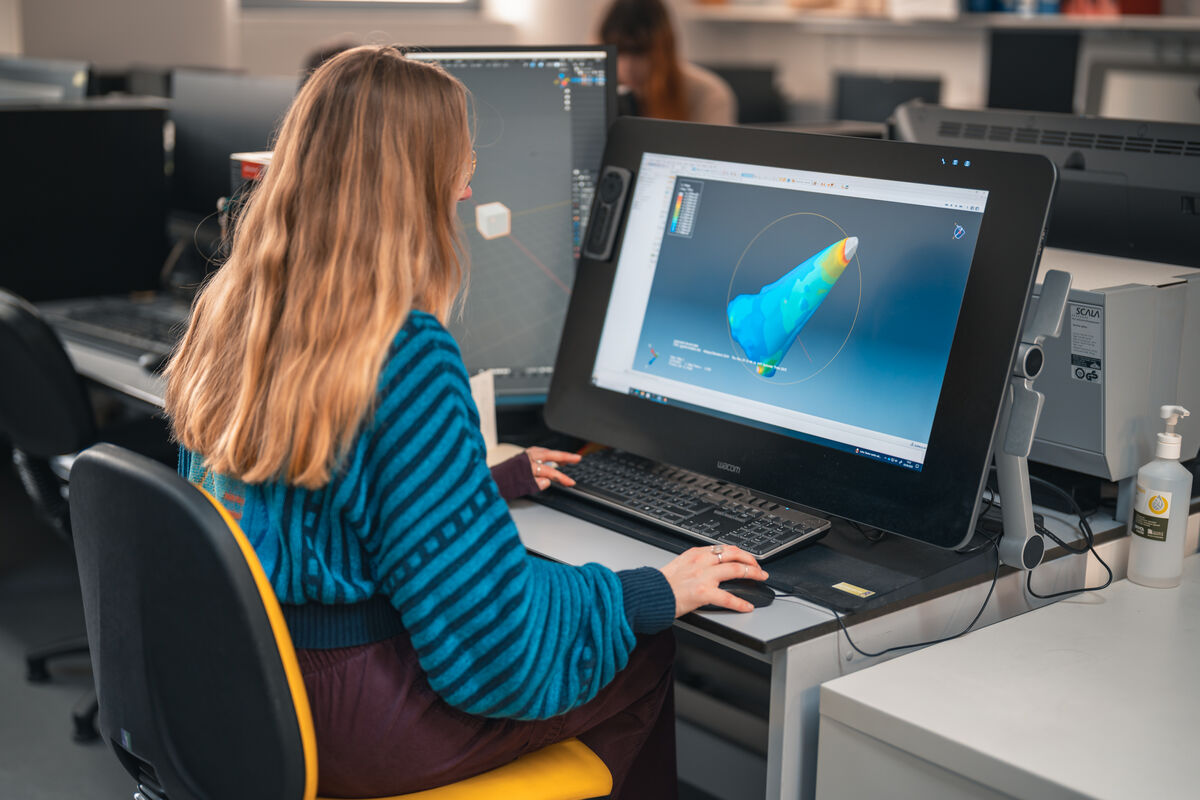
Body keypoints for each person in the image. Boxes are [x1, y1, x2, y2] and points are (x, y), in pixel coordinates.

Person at [164, 45, 768, 799]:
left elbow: (312, 488)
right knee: (641, 652)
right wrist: (653, 590)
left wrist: (471, 485)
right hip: (354, 722)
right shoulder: (404, 350)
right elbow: (497, 645)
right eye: (456, 169)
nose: (467, 188)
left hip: (259, 689)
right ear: (411, 186)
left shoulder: (235, 311)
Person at [599, 0, 737, 125]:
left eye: (639, 52)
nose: (627, 67)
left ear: (665, 49)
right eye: (619, 52)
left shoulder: (708, 95)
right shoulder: (600, 90)